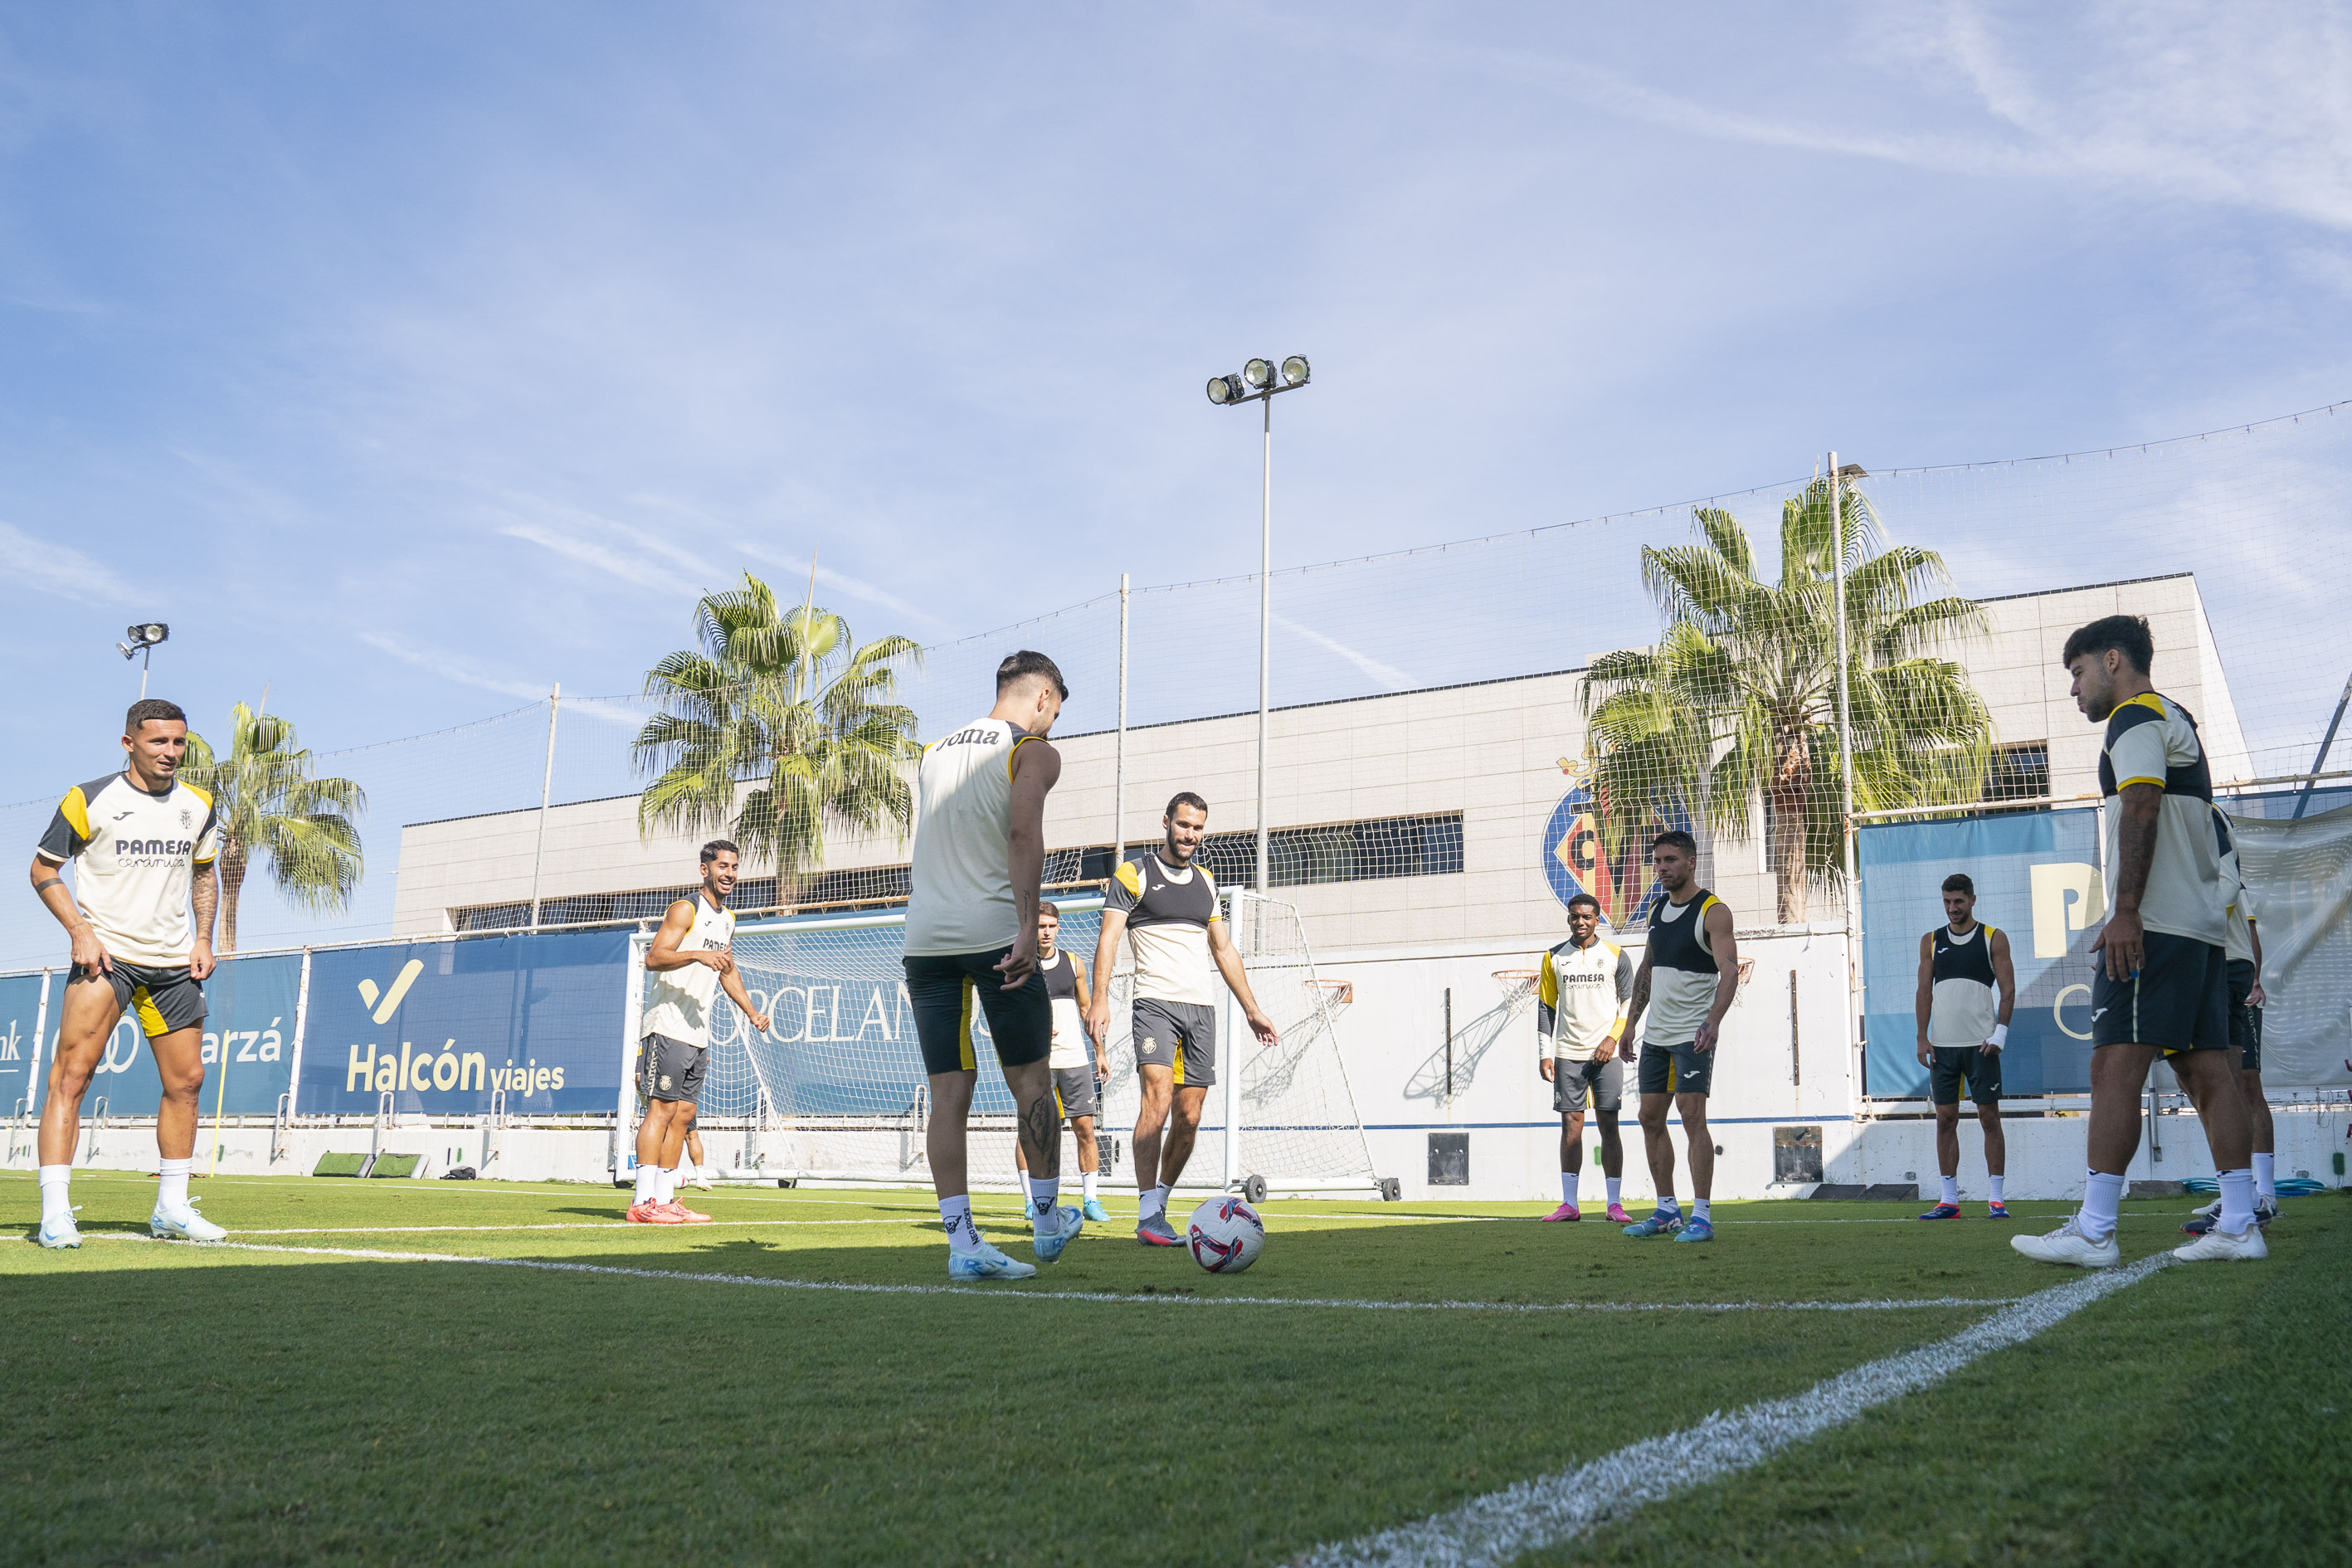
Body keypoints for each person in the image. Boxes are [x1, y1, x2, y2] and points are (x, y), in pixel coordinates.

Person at [2014, 615, 2263, 1266]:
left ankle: (2094, 1229)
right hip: (2201, 929)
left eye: (2077, 672)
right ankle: (2239, 1222)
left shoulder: (2134, 717)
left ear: (2113, 661)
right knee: (2208, 1072)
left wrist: (2125, 910)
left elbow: (2143, 804)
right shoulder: (2173, 715)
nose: (2073, 690)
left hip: (2155, 927)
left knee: (2112, 1068)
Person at [903, 650, 1083, 1279]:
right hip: (994, 935)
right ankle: (1046, 1224)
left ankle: (962, 1246)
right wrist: (1028, 927)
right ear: (1041, 698)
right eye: (1054, 713)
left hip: (924, 938)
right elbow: (1021, 833)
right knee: (1032, 1082)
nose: (1052, 725)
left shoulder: (932, 750)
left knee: (949, 1091)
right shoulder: (1030, 750)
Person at [28, 699, 226, 1249]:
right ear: (129, 743)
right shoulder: (89, 798)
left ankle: (172, 1209)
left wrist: (203, 937)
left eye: (179, 742)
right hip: (106, 958)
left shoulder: (199, 804)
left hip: (173, 966)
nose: (170, 752)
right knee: (71, 1079)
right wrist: (79, 931)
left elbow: (204, 874)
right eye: (158, 741)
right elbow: (43, 867)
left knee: (186, 1084)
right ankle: (55, 1214)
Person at [1085, 792, 1278, 1247]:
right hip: (1154, 1004)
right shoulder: (1134, 873)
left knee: (1189, 1118)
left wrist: (1252, 1010)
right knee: (1156, 1097)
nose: (1190, 835)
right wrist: (1099, 999)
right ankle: (1146, 1212)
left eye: (1198, 828)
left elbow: (1224, 950)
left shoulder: (1207, 883)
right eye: (1183, 825)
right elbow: (1109, 939)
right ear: (1167, 822)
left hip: (1201, 1010)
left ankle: (1160, 1204)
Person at [628, 839, 769, 1224]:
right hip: (667, 1025)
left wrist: (752, 1011)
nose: (730, 874)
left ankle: (666, 1200)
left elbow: (727, 969)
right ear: (705, 869)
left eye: (735, 867)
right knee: (661, 1109)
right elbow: (654, 957)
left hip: (697, 1031)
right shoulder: (685, 908)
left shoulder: (729, 919)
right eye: (723, 866)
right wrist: (697, 953)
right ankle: (642, 1203)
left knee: (683, 1115)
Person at [1619, 830, 1739, 1244]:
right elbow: (1648, 968)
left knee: (1692, 1118)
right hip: (1655, 1035)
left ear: (1691, 862)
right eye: (1658, 861)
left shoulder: (1713, 911)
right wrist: (1631, 1022)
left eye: (1670, 860)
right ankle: (1667, 1210)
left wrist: (1713, 1021)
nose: (1662, 868)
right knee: (1649, 1118)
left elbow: (1730, 972)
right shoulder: (1655, 909)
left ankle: (1702, 1217)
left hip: (1693, 1036)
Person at [2185, 806, 2277, 1236]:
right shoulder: (2196, 869)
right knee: (2219, 1082)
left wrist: (2256, 978)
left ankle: (2262, 1194)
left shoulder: (2227, 876)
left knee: (2239, 1084)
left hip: (2225, 968)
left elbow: (2248, 929)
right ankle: (2239, 1193)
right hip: (2218, 967)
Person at [1912, 873, 2017, 1220]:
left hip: (1982, 1046)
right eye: (1946, 901)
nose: (1952, 908)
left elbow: (2009, 988)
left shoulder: (1993, 937)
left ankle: (1997, 1199)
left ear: (1973, 899)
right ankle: (1949, 1200)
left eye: (1958, 901)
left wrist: (2000, 1031)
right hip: (1942, 1047)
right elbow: (1924, 991)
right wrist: (1921, 1037)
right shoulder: (1931, 940)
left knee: (1989, 1118)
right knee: (1945, 1119)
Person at [1536, 892, 1634, 1223]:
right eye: (1575, 916)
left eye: (1587, 917)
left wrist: (1612, 1039)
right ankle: (1569, 1204)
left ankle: (1614, 1204)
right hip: (1568, 1054)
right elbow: (1547, 1008)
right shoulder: (1553, 958)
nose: (1581, 922)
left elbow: (1629, 1004)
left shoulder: (1616, 955)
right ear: (1569, 918)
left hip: (1606, 1055)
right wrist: (1544, 1054)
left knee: (1609, 1124)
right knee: (1571, 1128)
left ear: (1598, 918)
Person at [1013, 902, 1111, 1222]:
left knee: (1085, 1129)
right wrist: (1034, 1027)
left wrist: (1099, 1051)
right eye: (1041, 925)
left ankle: (1091, 1200)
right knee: (1031, 1131)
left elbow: (1087, 1011)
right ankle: (1030, 1201)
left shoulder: (1074, 964)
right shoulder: (1023, 964)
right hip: (1037, 1062)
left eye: (1051, 926)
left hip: (1074, 1060)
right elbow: (1010, 1011)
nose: (1046, 931)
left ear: (1058, 927)